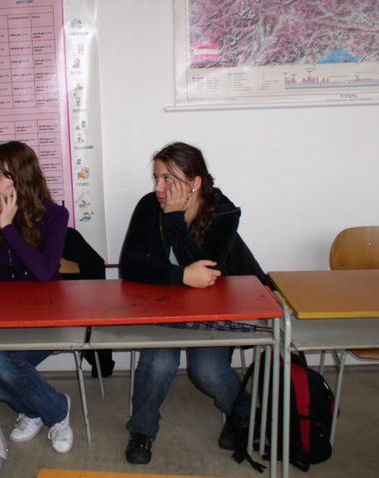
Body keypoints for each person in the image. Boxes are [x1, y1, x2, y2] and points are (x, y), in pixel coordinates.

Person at [120, 142, 269, 465]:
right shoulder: (149, 206)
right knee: (158, 363)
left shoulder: (224, 213)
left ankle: (243, 413)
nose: (159, 188)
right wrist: (180, 276)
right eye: (156, 178)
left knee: (208, 370)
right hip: (164, 305)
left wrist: (174, 218)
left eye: (168, 179)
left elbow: (207, 271)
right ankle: (142, 429)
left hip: (215, 307)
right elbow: (129, 266)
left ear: (195, 182)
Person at [0, 140, 73, 453]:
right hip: (8, 314)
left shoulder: (54, 215)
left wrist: (9, 227)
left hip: (51, 312)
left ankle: (55, 414)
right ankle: (44, 409)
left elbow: (44, 272)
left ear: (21, 177)